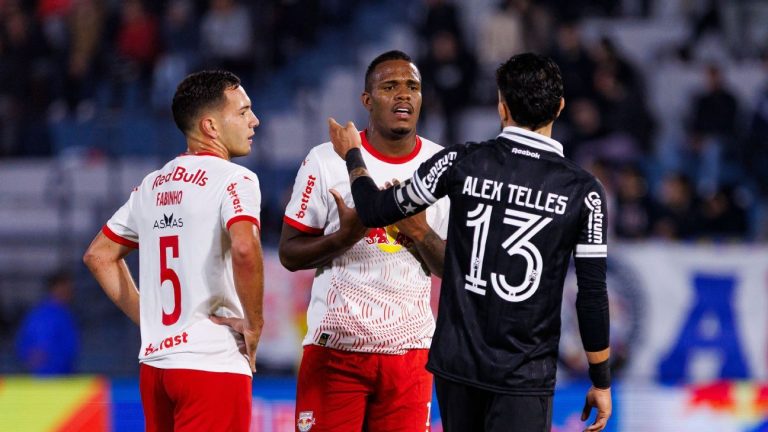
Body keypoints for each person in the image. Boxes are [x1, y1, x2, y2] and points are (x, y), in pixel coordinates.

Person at [328, 52, 612, 432]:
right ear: (560, 107)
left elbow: (375, 209)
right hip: (524, 376)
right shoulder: (584, 192)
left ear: (502, 106)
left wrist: (353, 155)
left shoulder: (460, 161)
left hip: (457, 369)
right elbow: (591, 295)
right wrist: (600, 380)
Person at [83, 70, 264, 432]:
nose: (254, 120)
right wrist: (254, 325)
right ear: (211, 126)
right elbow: (245, 247)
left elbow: (98, 255)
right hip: (211, 362)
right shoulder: (235, 179)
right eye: (243, 112)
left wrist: (150, 319)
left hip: (157, 366)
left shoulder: (152, 185)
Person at [279, 50, 449, 432]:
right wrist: (345, 237)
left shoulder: (441, 168)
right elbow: (289, 253)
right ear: (367, 100)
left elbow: (454, 269)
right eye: (390, 87)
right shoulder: (324, 161)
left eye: (413, 87)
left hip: (410, 356)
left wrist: (419, 232)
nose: (404, 94)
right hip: (335, 350)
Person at [15, 270, 79, 375]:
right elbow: (35, 351)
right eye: (65, 287)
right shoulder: (42, 314)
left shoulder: (66, 313)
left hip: (65, 375)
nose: (69, 291)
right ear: (55, 288)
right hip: (47, 377)